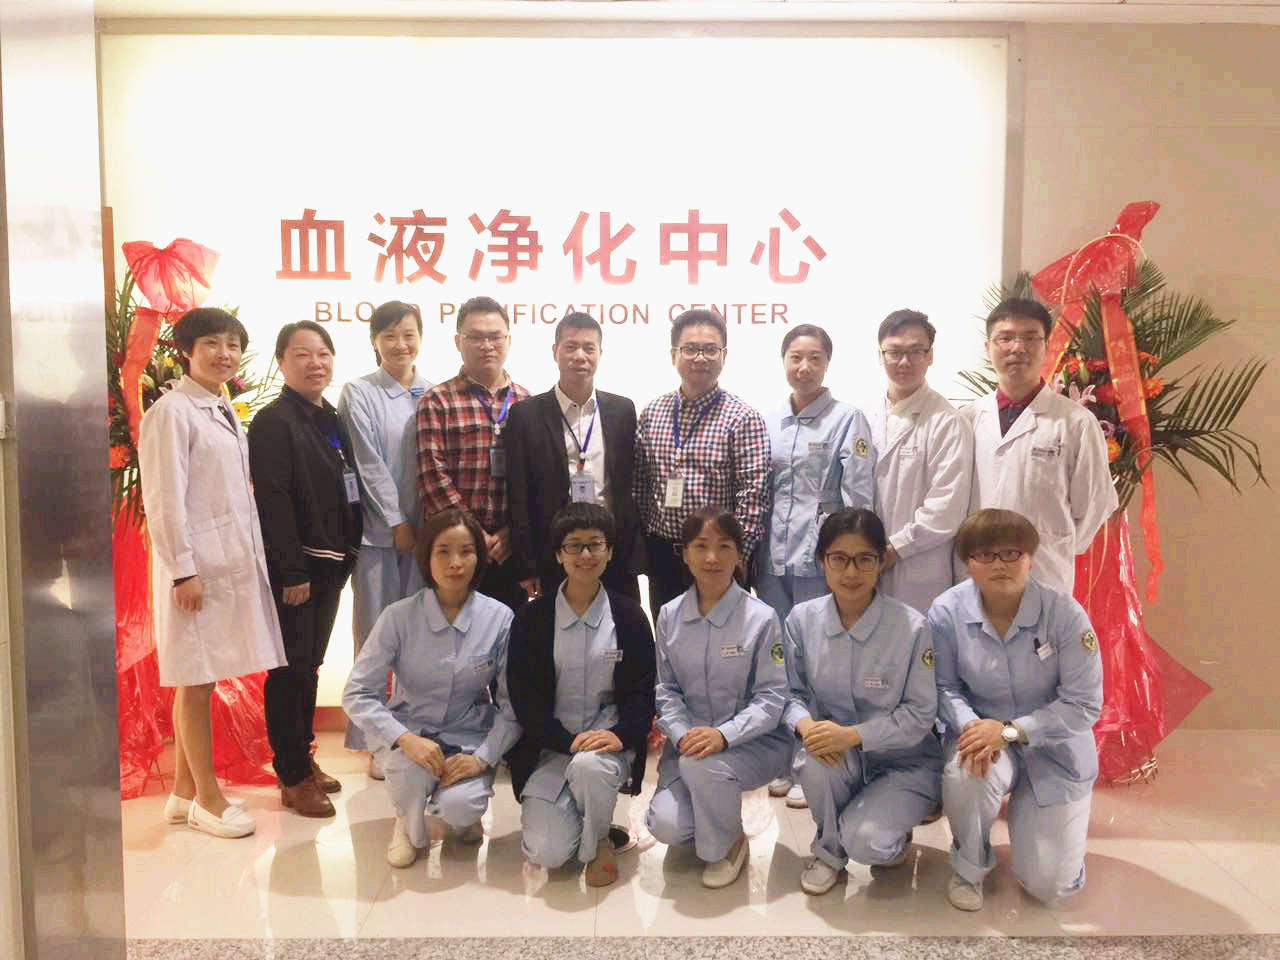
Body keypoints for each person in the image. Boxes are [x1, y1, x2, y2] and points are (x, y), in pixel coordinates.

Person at [138, 308, 287, 838]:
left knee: (199, 676)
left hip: (221, 564)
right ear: (186, 351)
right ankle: (208, 799)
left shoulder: (219, 404)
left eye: (232, 345)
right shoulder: (171, 412)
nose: (224, 354)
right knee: (196, 680)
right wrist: (183, 572)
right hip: (193, 570)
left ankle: (183, 793)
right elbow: (163, 499)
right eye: (211, 344)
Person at [929, 508, 1103, 910]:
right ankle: (969, 866)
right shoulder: (947, 612)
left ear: (1031, 558)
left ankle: (1053, 840)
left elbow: (1084, 704)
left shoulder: (1064, 615)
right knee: (966, 775)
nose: (1000, 565)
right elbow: (943, 687)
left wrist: (1009, 730)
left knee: (1049, 886)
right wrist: (973, 728)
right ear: (967, 563)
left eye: (1011, 553)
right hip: (982, 737)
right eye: (985, 555)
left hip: (1055, 749)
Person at [343, 509, 520, 867]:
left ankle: (461, 815)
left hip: (468, 733)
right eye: (443, 551)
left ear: (480, 557)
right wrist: (405, 739)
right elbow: (357, 693)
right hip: (410, 729)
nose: (455, 563)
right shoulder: (398, 617)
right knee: (409, 775)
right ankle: (407, 823)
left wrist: (482, 757)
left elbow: (512, 704)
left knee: (460, 808)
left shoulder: (499, 618)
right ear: (426, 557)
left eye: (466, 551)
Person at [782, 508, 941, 895]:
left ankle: (888, 833)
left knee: (868, 843)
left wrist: (853, 735)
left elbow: (920, 713)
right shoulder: (801, 620)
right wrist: (808, 727)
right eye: (839, 559)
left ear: (881, 561)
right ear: (822, 561)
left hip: (904, 762)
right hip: (837, 754)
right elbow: (787, 692)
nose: (851, 572)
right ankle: (828, 852)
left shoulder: (911, 627)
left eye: (864, 559)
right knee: (815, 760)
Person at [506, 503, 656, 886]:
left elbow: (643, 692)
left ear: (609, 551)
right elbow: (524, 697)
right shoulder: (532, 619)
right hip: (551, 749)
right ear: (558, 554)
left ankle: (599, 841)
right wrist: (566, 741)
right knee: (547, 852)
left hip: (607, 747)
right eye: (574, 545)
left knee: (589, 769)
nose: (585, 554)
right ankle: (584, 814)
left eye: (595, 544)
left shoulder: (629, 617)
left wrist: (620, 735)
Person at [248, 321, 361, 819]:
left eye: (323, 354)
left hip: (331, 565)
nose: (316, 363)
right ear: (281, 363)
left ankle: (304, 757)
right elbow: (272, 500)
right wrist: (291, 571)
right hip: (299, 571)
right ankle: (291, 775)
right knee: (288, 670)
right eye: (302, 354)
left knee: (309, 667)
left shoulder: (328, 417)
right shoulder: (274, 421)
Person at [759, 324, 875, 807]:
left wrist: (848, 559)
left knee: (817, 661)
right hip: (771, 560)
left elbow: (859, 497)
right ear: (783, 361)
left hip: (820, 562)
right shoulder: (768, 420)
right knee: (777, 660)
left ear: (827, 363)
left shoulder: (848, 419)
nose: (804, 367)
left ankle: (815, 760)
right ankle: (783, 757)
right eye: (795, 357)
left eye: (814, 358)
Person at [645, 507, 791, 889]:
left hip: (754, 744)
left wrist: (723, 735)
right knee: (666, 826)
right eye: (701, 546)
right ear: (685, 554)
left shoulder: (762, 618)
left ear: (739, 554)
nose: (712, 557)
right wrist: (682, 735)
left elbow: (773, 697)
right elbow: (666, 689)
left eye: (724, 546)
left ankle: (728, 844)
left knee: (702, 769)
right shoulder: (669, 615)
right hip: (690, 744)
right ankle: (715, 810)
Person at [961, 298, 1117, 594]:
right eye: (1005, 338)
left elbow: (1095, 505)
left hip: (1044, 574)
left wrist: (1054, 543)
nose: (1017, 348)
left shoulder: (1076, 422)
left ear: (1046, 346)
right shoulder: (967, 419)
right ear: (988, 348)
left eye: (1030, 337)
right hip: (974, 575)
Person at [337, 301, 432, 779]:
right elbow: (367, 463)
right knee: (375, 637)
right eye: (390, 335)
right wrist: (396, 520)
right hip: (380, 536)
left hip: (428, 537)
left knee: (419, 638)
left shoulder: (433, 392)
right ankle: (373, 740)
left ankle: (413, 731)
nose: (400, 344)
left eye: (409, 334)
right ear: (374, 340)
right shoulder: (359, 392)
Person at [633, 309, 770, 620]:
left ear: (724, 356)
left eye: (710, 350)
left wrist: (737, 556)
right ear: (674, 355)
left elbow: (754, 496)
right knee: (669, 637)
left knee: (725, 642)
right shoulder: (652, 412)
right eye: (690, 349)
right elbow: (640, 485)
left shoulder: (743, 418)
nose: (700, 358)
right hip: (664, 558)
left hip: (717, 558)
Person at [504, 312, 644, 603]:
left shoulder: (622, 410)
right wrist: (526, 564)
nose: (580, 355)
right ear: (555, 351)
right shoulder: (526, 415)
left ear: (600, 353)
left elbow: (630, 485)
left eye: (589, 347)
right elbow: (518, 495)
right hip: (555, 552)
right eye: (571, 347)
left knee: (622, 623)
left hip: (611, 550)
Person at [417, 296, 530, 611]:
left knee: (512, 631)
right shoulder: (437, 401)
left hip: (510, 549)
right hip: (455, 550)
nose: (487, 345)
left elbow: (536, 479)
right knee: (451, 631)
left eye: (495, 337)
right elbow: (433, 478)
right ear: (458, 342)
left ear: (508, 341)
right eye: (476, 337)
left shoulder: (528, 403)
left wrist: (513, 532)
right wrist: (473, 535)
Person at [868, 309, 974, 615]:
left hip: (919, 568)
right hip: (866, 564)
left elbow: (946, 507)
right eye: (894, 352)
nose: (904, 361)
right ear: (880, 356)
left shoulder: (947, 422)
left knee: (917, 639)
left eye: (915, 352)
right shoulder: (863, 413)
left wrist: (894, 548)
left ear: (930, 357)